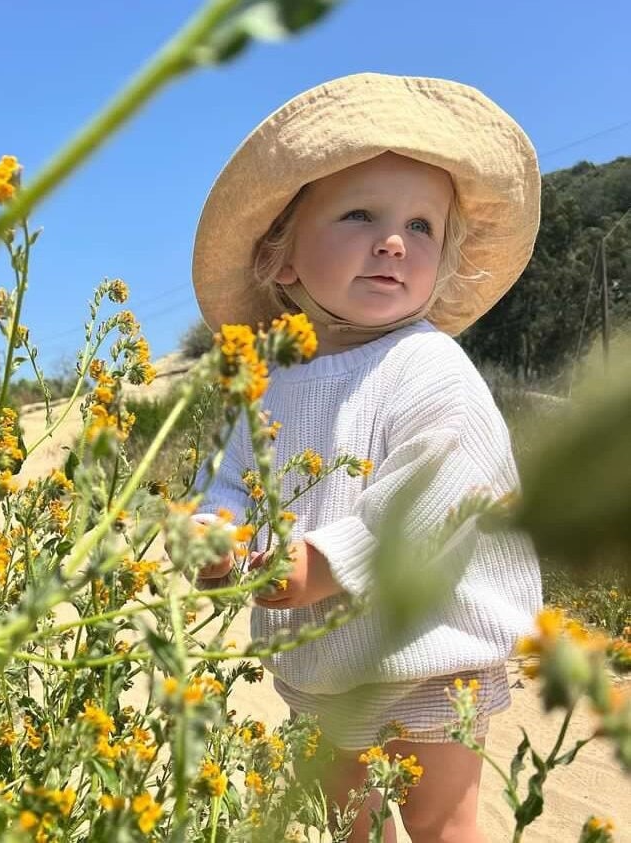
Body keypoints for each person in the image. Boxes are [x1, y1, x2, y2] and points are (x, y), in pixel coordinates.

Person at [189, 73, 543, 842]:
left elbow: (441, 493)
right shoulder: (267, 377)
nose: (393, 241)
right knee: (352, 821)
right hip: (323, 659)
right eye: (360, 215)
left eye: (421, 227)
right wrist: (215, 533)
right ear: (280, 258)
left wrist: (320, 562)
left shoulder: (428, 365)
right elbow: (226, 477)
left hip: (429, 648)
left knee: (438, 823)